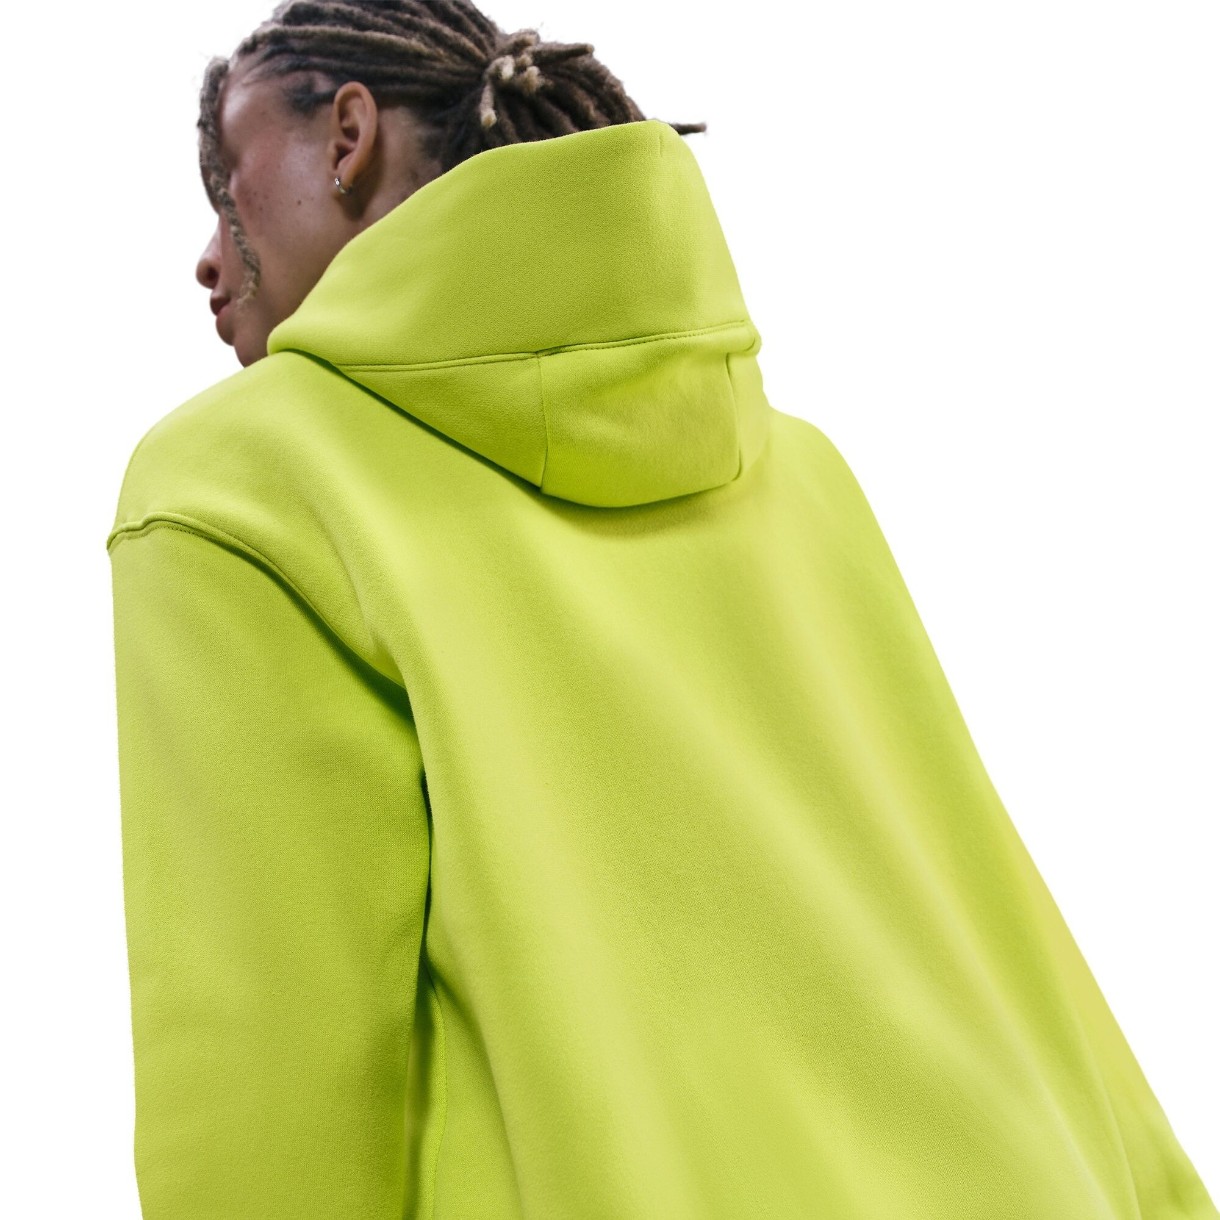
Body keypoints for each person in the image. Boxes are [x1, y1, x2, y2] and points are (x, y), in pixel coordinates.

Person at [104, 2, 1218, 1218]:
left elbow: (265, 1066)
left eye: (225, 184)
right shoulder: (793, 468)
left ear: (347, 137)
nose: (208, 255)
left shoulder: (238, 485)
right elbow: (988, 919)